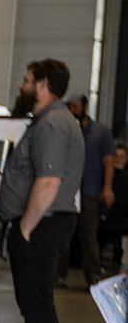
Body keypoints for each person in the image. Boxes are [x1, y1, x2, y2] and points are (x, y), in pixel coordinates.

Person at [0, 59, 84, 323]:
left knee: (37, 306)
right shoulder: (49, 121)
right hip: (41, 224)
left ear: (43, 85)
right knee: (32, 305)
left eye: (27, 81)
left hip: (41, 226)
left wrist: (26, 228)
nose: (21, 87)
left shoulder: (54, 124)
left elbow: (48, 182)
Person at [66, 93, 116, 287]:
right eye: (69, 107)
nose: (72, 111)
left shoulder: (101, 132)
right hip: (68, 190)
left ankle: (93, 276)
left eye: (75, 107)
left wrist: (108, 188)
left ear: (85, 108)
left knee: (88, 234)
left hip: (91, 190)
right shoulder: (67, 130)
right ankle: (58, 275)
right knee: (64, 232)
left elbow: (109, 161)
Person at [99, 143, 128, 272]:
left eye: (122, 156)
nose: (119, 158)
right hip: (107, 218)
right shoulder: (105, 178)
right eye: (116, 155)